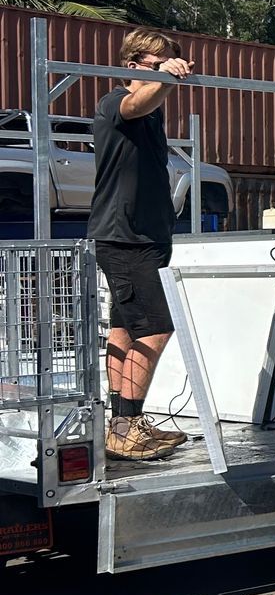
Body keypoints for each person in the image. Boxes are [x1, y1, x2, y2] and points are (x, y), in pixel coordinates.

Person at [89, 28, 194, 462]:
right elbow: (137, 101)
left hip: (146, 237)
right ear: (131, 66)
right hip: (125, 237)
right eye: (156, 64)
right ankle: (126, 426)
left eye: (169, 63)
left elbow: (149, 102)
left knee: (126, 327)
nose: (166, 71)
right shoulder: (116, 103)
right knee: (155, 327)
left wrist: (163, 78)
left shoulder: (152, 114)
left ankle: (121, 425)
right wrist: (165, 79)